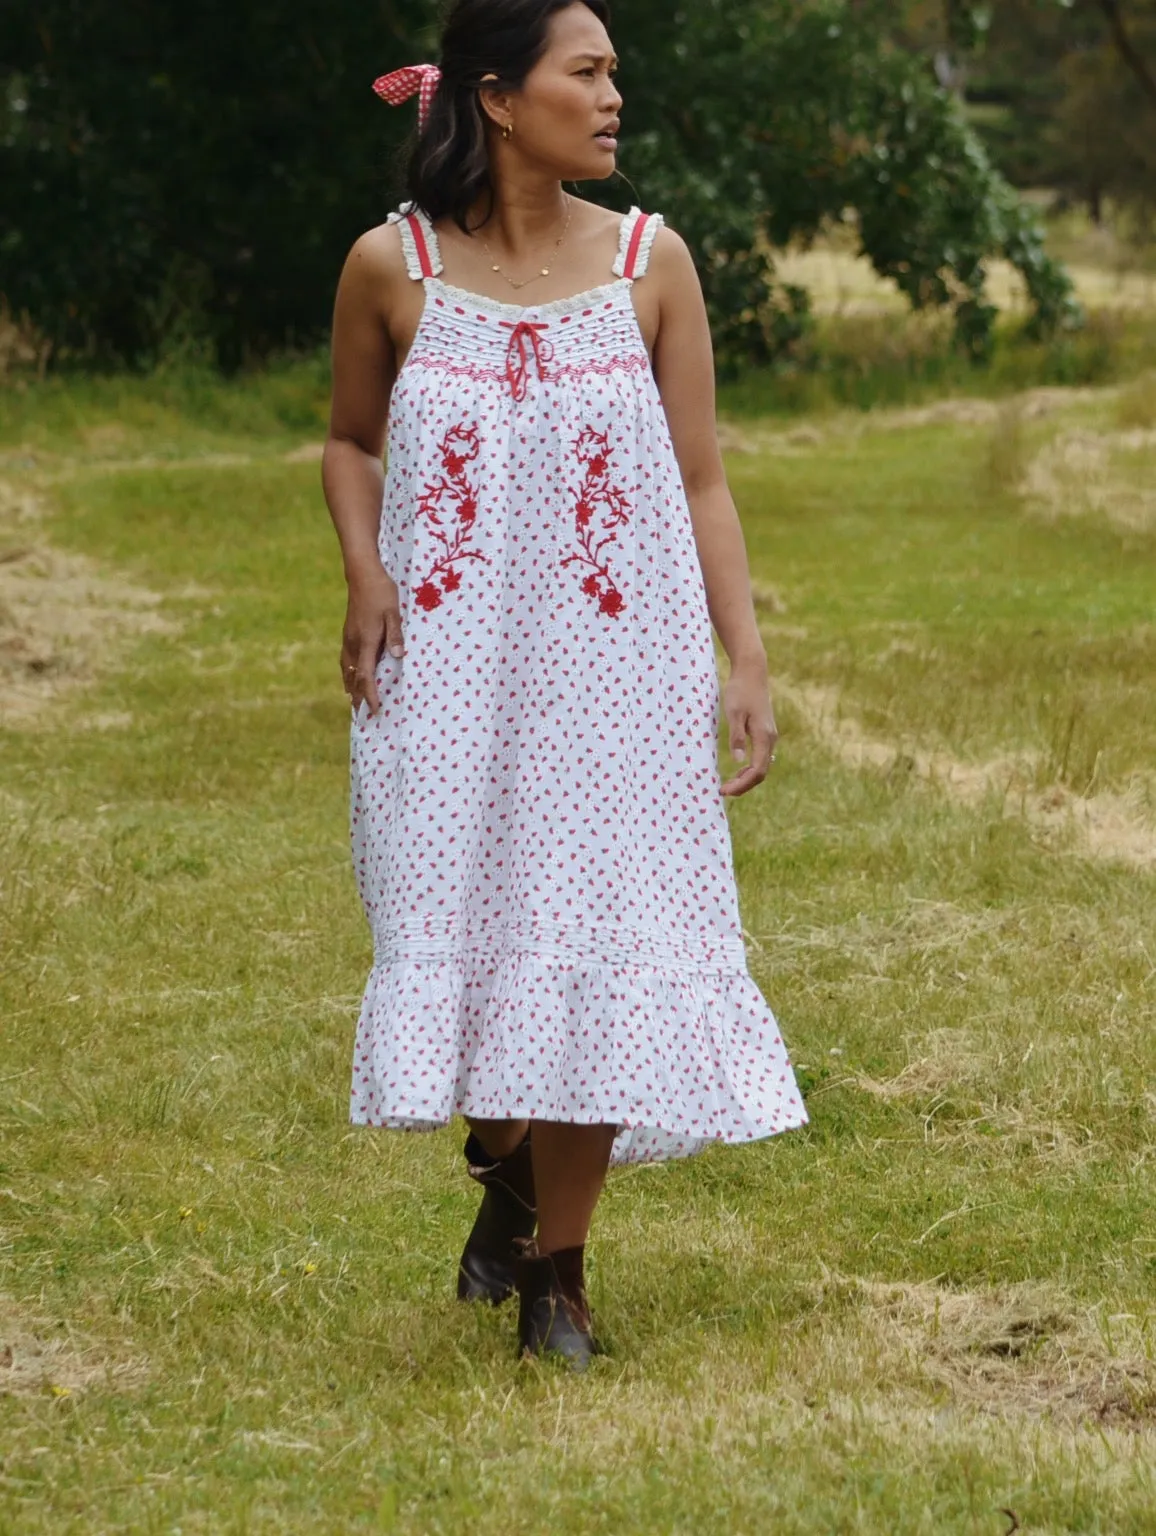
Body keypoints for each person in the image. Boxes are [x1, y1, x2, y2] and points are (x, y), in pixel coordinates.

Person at [322, 0, 807, 1371]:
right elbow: (351, 443)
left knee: (596, 941)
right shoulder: (390, 267)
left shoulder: (652, 264)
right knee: (461, 936)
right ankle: (508, 1163)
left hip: (617, 671)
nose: (611, 99)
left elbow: (701, 477)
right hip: (444, 673)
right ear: (494, 95)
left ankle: (559, 1281)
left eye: (614, 77)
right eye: (585, 74)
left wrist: (745, 654)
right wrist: (365, 571)